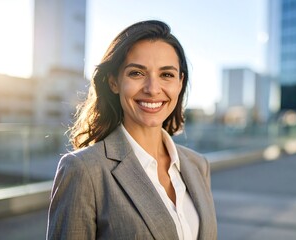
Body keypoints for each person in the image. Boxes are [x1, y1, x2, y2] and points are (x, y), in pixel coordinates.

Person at [47, 20, 217, 240]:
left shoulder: (198, 165)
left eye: (166, 75)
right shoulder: (84, 170)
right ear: (114, 82)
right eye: (137, 73)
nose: (153, 89)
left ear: (180, 83)